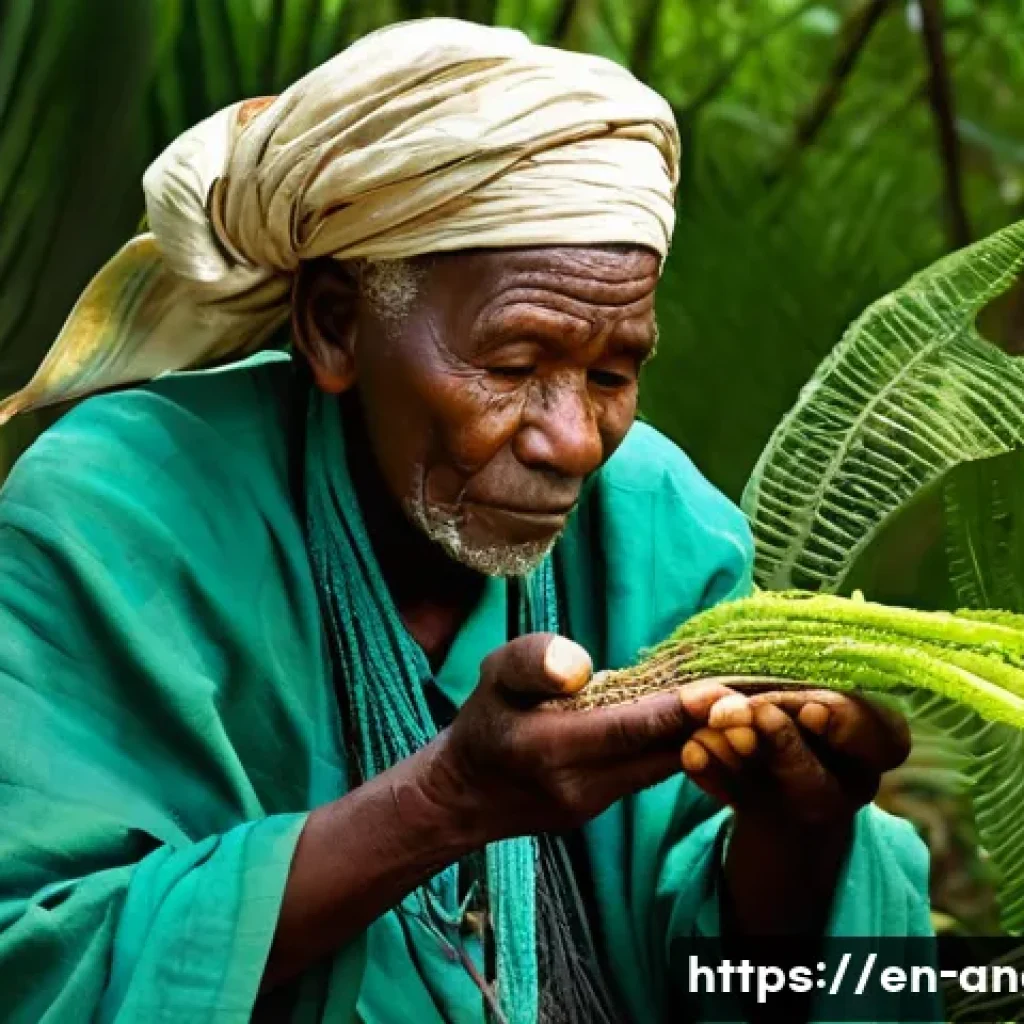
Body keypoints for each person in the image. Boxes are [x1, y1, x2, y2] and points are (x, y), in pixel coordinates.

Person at [0, 18, 930, 1024]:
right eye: (512, 365)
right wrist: (446, 803)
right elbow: (39, 960)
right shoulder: (120, 516)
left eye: (614, 372)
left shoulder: (658, 523)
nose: (574, 439)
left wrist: (802, 835)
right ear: (334, 324)